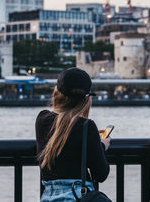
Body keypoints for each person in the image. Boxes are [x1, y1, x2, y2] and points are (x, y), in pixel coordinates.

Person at [35, 67, 111, 202]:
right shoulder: (86, 126)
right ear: (86, 99)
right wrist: (101, 146)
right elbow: (101, 174)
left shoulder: (42, 120)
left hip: (48, 197)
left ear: (57, 93)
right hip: (79, 196)